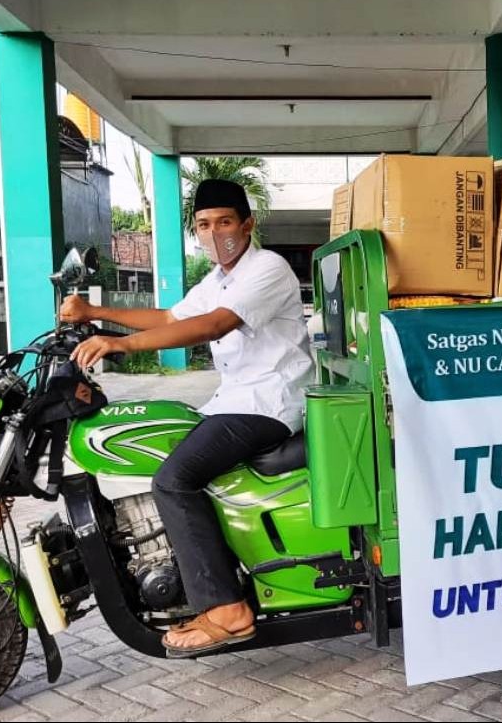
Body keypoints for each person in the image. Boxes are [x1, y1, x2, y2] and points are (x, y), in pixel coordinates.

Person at [63, 179, 314, 657]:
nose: (214, 233)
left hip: (269, 403)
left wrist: (120, 344)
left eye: (224, 222)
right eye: (203, 225)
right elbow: (172, 317)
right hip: (233, 399)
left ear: (247, 224)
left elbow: (215, 324)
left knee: (174, 479)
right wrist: (92, 312)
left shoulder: (267, 267)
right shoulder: (218, 278)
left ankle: (227, 610)